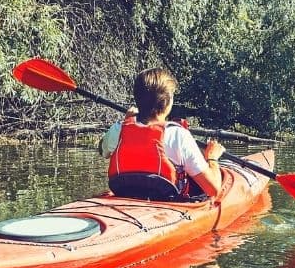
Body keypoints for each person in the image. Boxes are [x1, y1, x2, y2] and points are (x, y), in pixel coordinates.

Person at [98, 68, 228, 201]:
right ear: (168, 101)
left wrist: (127, 121)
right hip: (167, 205)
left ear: (137, 99)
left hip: (125, 196)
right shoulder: (178, 135)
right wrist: (212, 158)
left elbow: (102, 150)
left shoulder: (118, 129)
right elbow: (213, 189)